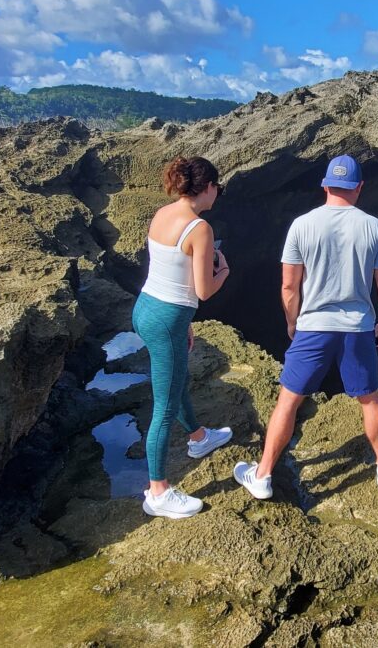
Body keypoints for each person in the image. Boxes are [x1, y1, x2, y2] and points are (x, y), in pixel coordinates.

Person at [233, 153, 378, 500]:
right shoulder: (374, 227)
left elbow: (289, 286)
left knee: (288, 402)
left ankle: (261, 476)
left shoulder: (301, 225)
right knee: (369, 400)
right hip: (358, 327)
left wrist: (293, 322)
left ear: (324, 184)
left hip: (313, 326)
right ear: (360, 187)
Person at [133, 155, 232, 519]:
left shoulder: (163, 213)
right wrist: (224, 271)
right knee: (164, 407)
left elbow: (169, 272)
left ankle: (199, 439)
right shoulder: (199, 228)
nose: (217, 194)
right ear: (206, 188)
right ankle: (157, 492)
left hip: (148, 307)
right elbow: (204, 290)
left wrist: (185, 323)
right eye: (216, 187)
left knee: (177, 380)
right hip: (166, 318)